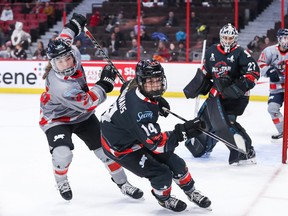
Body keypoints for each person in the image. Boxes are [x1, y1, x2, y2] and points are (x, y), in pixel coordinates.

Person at [39, 13, 143, 201]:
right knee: (63, 154)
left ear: (71, 54)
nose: (65, 64)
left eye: (67, 59)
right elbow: (88, 102)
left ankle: (123, 183)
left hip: (83, 118)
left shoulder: (72, 53)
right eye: (59, 62)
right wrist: (105, 83)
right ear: (53, 64)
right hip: (57, 119)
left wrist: (74, 24)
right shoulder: (60, 85)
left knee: (107, 151)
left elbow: (65, 37)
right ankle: (61, 179)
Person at [100, 58, 211, 212]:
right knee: (161, 173)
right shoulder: (140, 113)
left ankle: (191, 192)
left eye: (157, 81)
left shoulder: (134, 86)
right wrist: (182, 132)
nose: (155, 86)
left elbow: (126, 87)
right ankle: (163, 199)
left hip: (130, 133)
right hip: (120, 147)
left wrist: (156, 101)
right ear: (141, 82)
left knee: (176, 163)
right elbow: (158, 145)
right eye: (149, 82)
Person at [183, 23, 260, 165]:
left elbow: (253, 73)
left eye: (230, 38)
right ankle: (206, 146)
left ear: (235, 38)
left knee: (227, 122)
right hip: (217, 95)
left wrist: (236, 88)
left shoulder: (241, 53)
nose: (227, 40)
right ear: (220, 37)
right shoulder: (212, 51)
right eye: (225, 37)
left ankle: (247, 151)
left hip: (237, 97)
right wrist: (196, 85)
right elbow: (206, 71)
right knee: (214, 122)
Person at [257, 29, 288, 141]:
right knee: (272, 109)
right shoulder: (269, 51)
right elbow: (260, 63)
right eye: (284, 38)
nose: (286, 41)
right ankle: (284, 132)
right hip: (276, 89)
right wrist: (269, 70)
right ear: (279, 39)